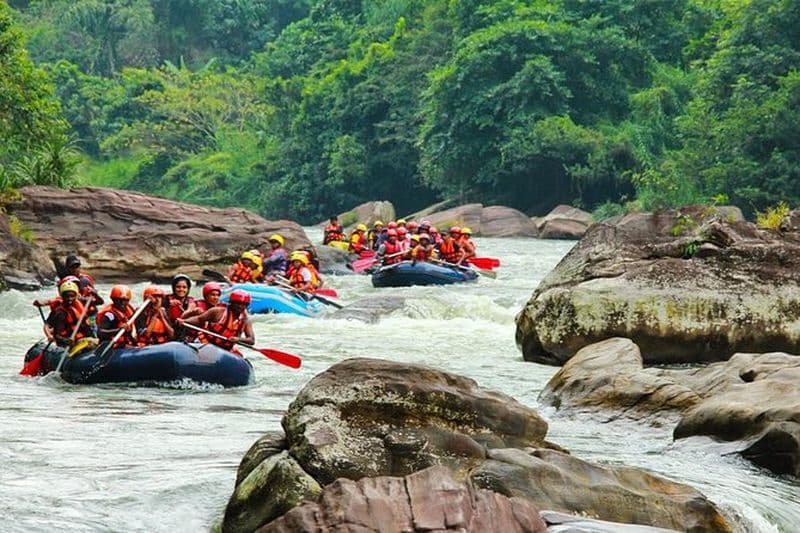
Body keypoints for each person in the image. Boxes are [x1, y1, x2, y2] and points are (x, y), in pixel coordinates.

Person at [178, 289, 255, 352]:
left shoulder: (245, 320)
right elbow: (199, 319)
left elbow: (251, 340)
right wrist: (185, 321)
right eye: (238, 303)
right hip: (205, 343)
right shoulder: (217, 312)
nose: (240, 306)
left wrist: (238, 339)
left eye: (243, 304)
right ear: (231, 303)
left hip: (225, 350)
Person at [41, 280, 93, 348]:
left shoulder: (79, 307)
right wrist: (65, 340)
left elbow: (98, 301)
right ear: (62, 296)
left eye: (72, 296)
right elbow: (56, 334)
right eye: (67, 296)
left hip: (80, 338)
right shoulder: (59, 312)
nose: (69, 299)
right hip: (66, 342)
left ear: (76, 296)